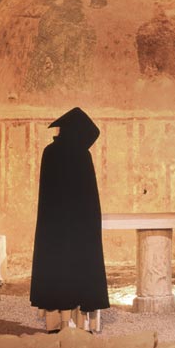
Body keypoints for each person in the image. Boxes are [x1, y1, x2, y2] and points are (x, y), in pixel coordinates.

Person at [30, 107, 109, 333]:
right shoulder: (82, 155)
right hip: (79, 224)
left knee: (57, 266)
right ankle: (81, 323)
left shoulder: (50, 152)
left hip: (54, 223)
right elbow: (89, 196)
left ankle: (57, 321)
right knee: (79, 267)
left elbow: (49, 193)